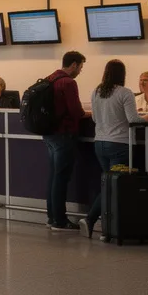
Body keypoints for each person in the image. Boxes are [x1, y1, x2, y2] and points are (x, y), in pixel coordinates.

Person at [82, 60, 148, 239]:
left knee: (109, 184)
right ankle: (92, 220)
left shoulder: (97, 92)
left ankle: (107, 230)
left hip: (100, 143)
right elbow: (133, 119)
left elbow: (95, 119)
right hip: (120, 144)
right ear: (122, 74)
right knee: (114, 187)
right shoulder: (125, 93)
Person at [44, 50, 87, 231]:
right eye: (81, 67)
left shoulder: (50, 78)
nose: (80, 71)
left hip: (50, 134)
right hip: (64, 134)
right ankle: (60, 221)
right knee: (61, 178)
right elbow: (76, 111)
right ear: (74, 64)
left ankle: (51, 217)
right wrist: (86, 114)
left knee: (54, 176)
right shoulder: (68, 82)